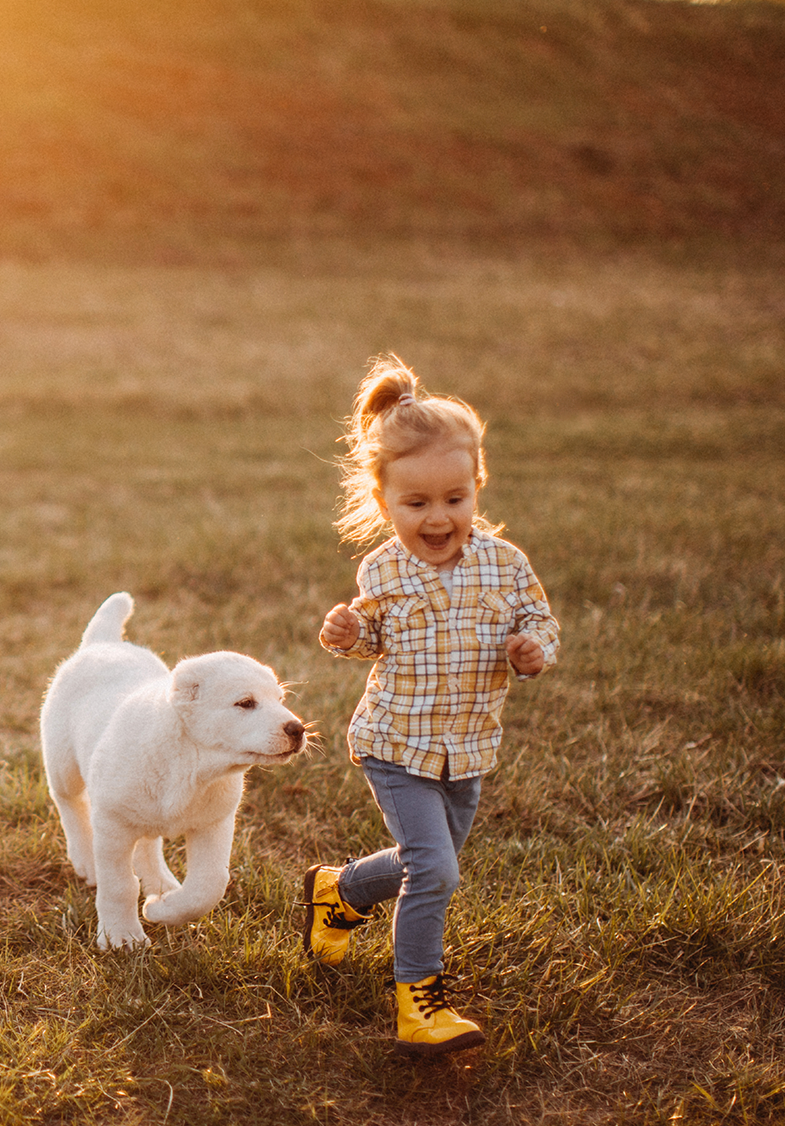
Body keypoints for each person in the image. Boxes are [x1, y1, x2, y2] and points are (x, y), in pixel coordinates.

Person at [304, 354, 560, 1057]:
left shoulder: (505, 564)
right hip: (396, 744)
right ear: (386, 504)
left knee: (430, 859)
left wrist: (532, 649)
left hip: (467, 747)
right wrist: (351, 633)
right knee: (438, 871)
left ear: (476, 486)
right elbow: (374, 635)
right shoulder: (382, 569)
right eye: (416, 505)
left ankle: (340, 891)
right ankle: (420, 1000)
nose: (438, 517)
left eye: (454, 498)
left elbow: (539, 621)